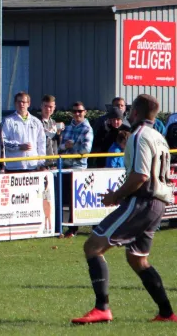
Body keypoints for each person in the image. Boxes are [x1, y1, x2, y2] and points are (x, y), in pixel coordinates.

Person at [71, 94, 177, 324]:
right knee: (137, 259)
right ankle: (167, 313)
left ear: (135, 113)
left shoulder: (138, 136)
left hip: (143, 201)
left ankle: (102, 308)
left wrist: (116, 196)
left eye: (129, 111)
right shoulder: (159, 137)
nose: (127, 113)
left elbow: (141, 175)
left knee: (92, 246)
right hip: (158, 203)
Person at [59, 102, 94, 238]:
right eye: (74, 111)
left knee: (75, 200)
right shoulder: (68, 128)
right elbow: (60, 148)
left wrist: (71, 147)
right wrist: (65, 146)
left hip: (78, 168)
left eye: (79, 111)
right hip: (66, 167)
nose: (77, 114)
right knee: (65, 198)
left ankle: (73, 228)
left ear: (85, 112)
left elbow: (86, 150)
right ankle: (63, 227)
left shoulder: (87, 128)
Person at [2, 92, 46, 173]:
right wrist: (18, 146)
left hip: (32, 166)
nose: (21, 104)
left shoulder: (36, 121)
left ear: (28, 104)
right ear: (15, 103)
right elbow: (3, 141)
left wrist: (41, 162)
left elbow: (41, 143)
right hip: (14, 167)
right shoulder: (8, 121)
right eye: (18, 102)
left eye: (23, 102)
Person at [39, 95, 63, 169]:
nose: (48, 109)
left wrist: (59, 134)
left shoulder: (53, 122)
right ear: (41, 106)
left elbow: (57, 144)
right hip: (42, 164)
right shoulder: (36, 122)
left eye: (51, 107)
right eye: (46, 106)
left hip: (54, 163)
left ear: (54, 108)